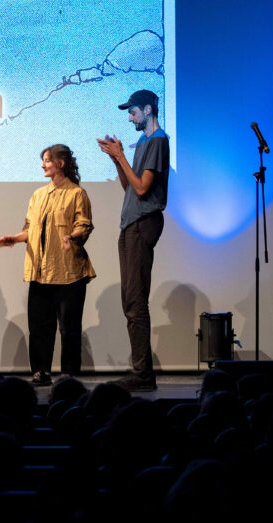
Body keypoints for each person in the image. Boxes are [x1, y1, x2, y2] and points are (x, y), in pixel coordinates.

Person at [0, 145, 94, 386]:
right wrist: (14, 239)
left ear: (60, 163)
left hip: (69, 271)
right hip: (40, 270)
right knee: (39, 327)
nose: (43, 165)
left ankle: (69, 373)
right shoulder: (38, 195)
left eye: (47, 160)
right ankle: (41, 371)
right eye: (43, 161)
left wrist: (74, 236)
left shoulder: (77, 194)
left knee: (69, 328)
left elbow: (84, 224)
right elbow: (30, 229)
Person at [97, 89, 170, 391]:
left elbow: (143, 189)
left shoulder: (157, 141)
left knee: (136, 299)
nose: (130, 118)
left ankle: (143, 374)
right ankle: (140, 370)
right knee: (130, 299)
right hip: (131, 223)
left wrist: (121, 156)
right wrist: (117, 161)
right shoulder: (143, 142)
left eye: (133, 112)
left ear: (149, 110)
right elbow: (129, 186)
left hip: (143, 223)